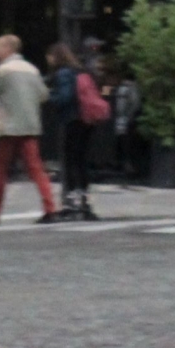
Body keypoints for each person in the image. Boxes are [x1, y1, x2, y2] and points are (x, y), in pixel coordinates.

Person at [0, 35, 58, 227]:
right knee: (36, 168)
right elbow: (44, 95)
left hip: (6, 127)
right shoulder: (32, 69)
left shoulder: (2, 71)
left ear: (7, 48)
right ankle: (50, 208)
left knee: (0, 171)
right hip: (29, 125)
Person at [45, 41, 107, 222]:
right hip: (87, 120)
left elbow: (64, 97)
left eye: (49, 56)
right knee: (81, 160)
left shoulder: (63, 73)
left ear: (55, 56)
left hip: (73, 119)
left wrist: (49, 97)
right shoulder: (79, 71)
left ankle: (71, 201)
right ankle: (85, 201)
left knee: (70, 159)